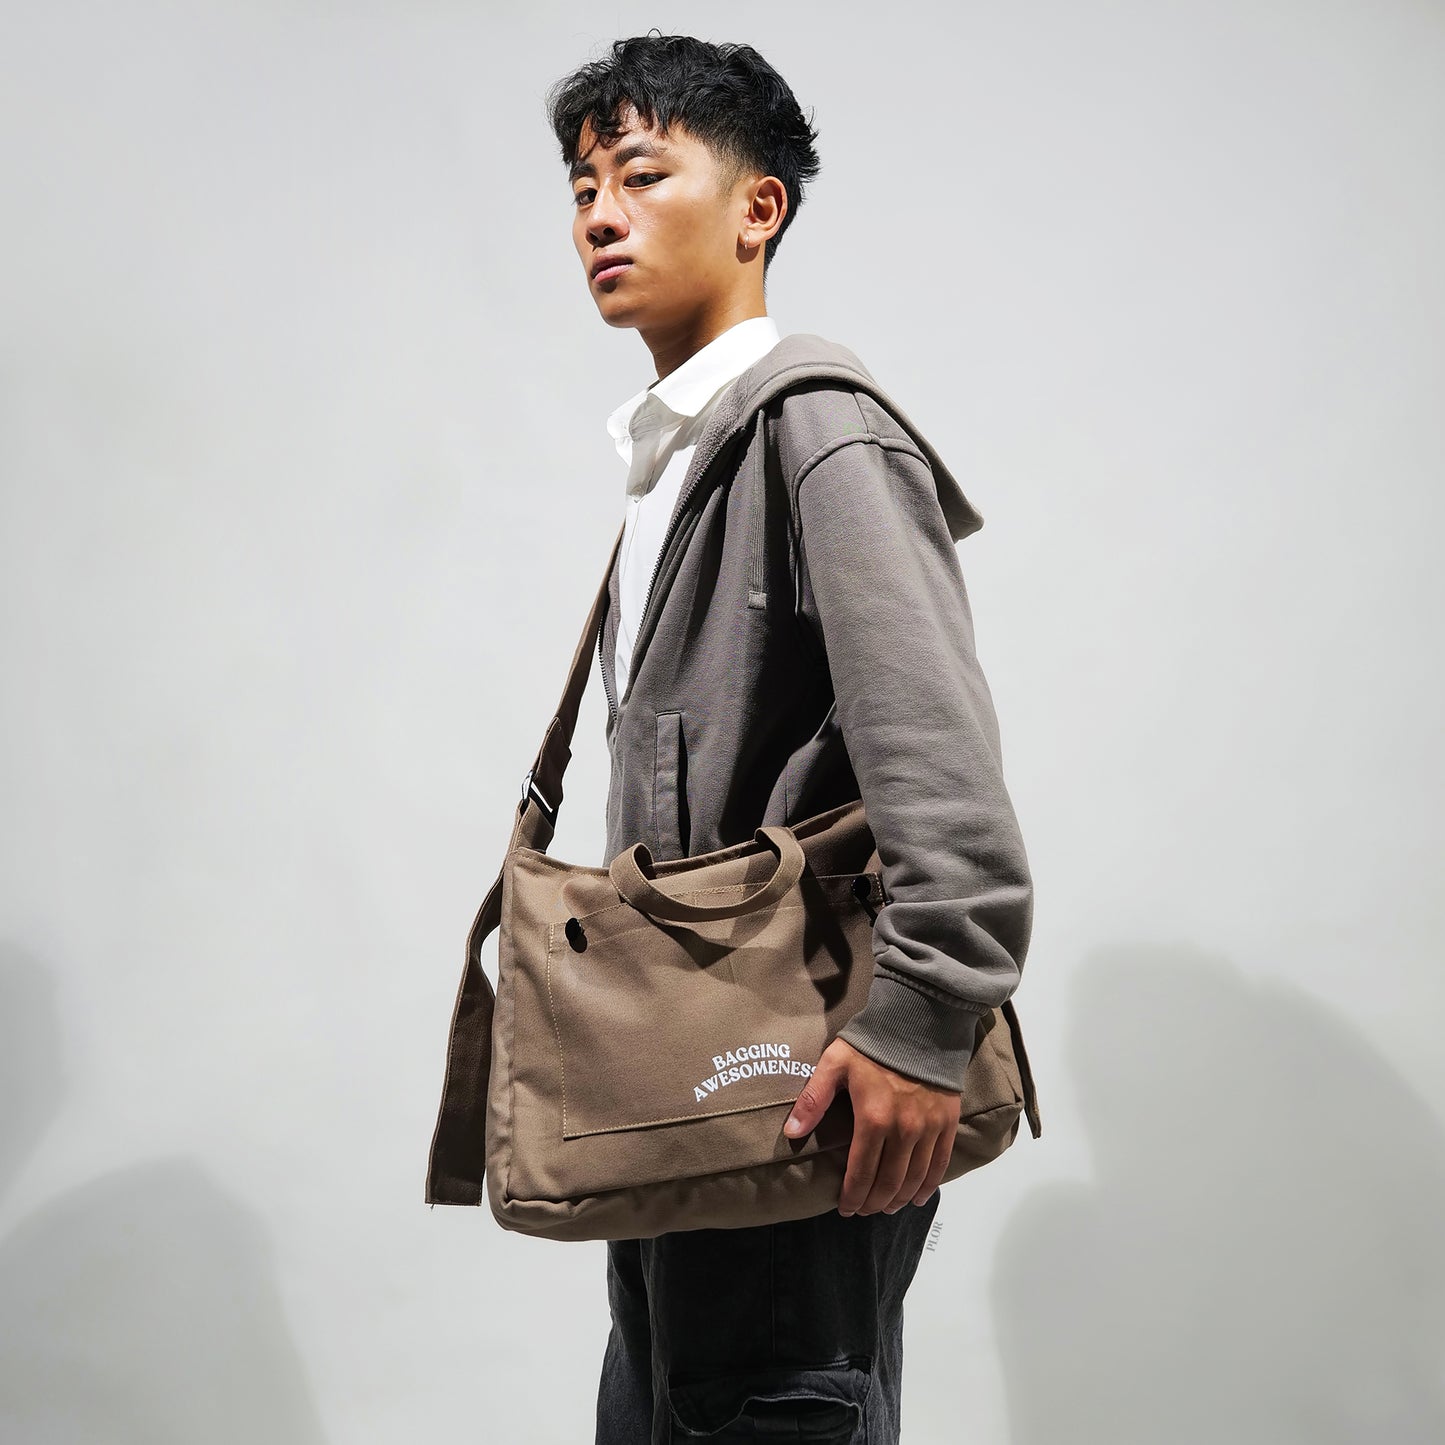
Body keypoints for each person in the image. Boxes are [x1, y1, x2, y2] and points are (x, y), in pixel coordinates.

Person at [545, 33, 1033, 1444]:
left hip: (799, 1078)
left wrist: (921, 1028)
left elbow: (941, 762)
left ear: (758, 207)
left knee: (769, 1406)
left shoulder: (815, 431)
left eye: (643, 174)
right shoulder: (676, 456)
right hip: (696, 1080)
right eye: (581, 188)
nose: (600, 214)